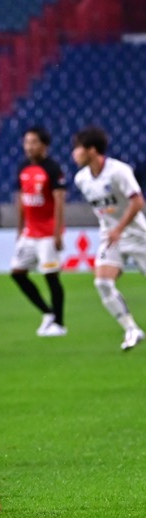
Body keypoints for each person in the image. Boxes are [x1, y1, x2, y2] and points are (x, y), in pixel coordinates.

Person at [72, 126, 146, 350]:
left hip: (137, 234)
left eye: (78, 149)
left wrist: (119, 228)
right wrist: (111, 231)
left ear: (92, 150)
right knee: (103, 282)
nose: (74, 154)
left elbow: (137, 202)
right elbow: (106, 210)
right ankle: (132, 329)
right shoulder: (81, 179)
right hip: (111, 238)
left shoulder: (118, 171)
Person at [10, 126, 67, 336]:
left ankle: (59, 324)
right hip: (29, 233)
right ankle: (48, 312)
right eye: (26, 142)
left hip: (47, 234)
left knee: (51, 276)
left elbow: (60, 201)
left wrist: (58, 231)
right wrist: (19, 229)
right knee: (17, 273)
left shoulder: (53, 168)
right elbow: (22, 200)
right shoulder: (23, 167)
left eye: (33, 142)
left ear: (44, 145)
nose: (29, 146)